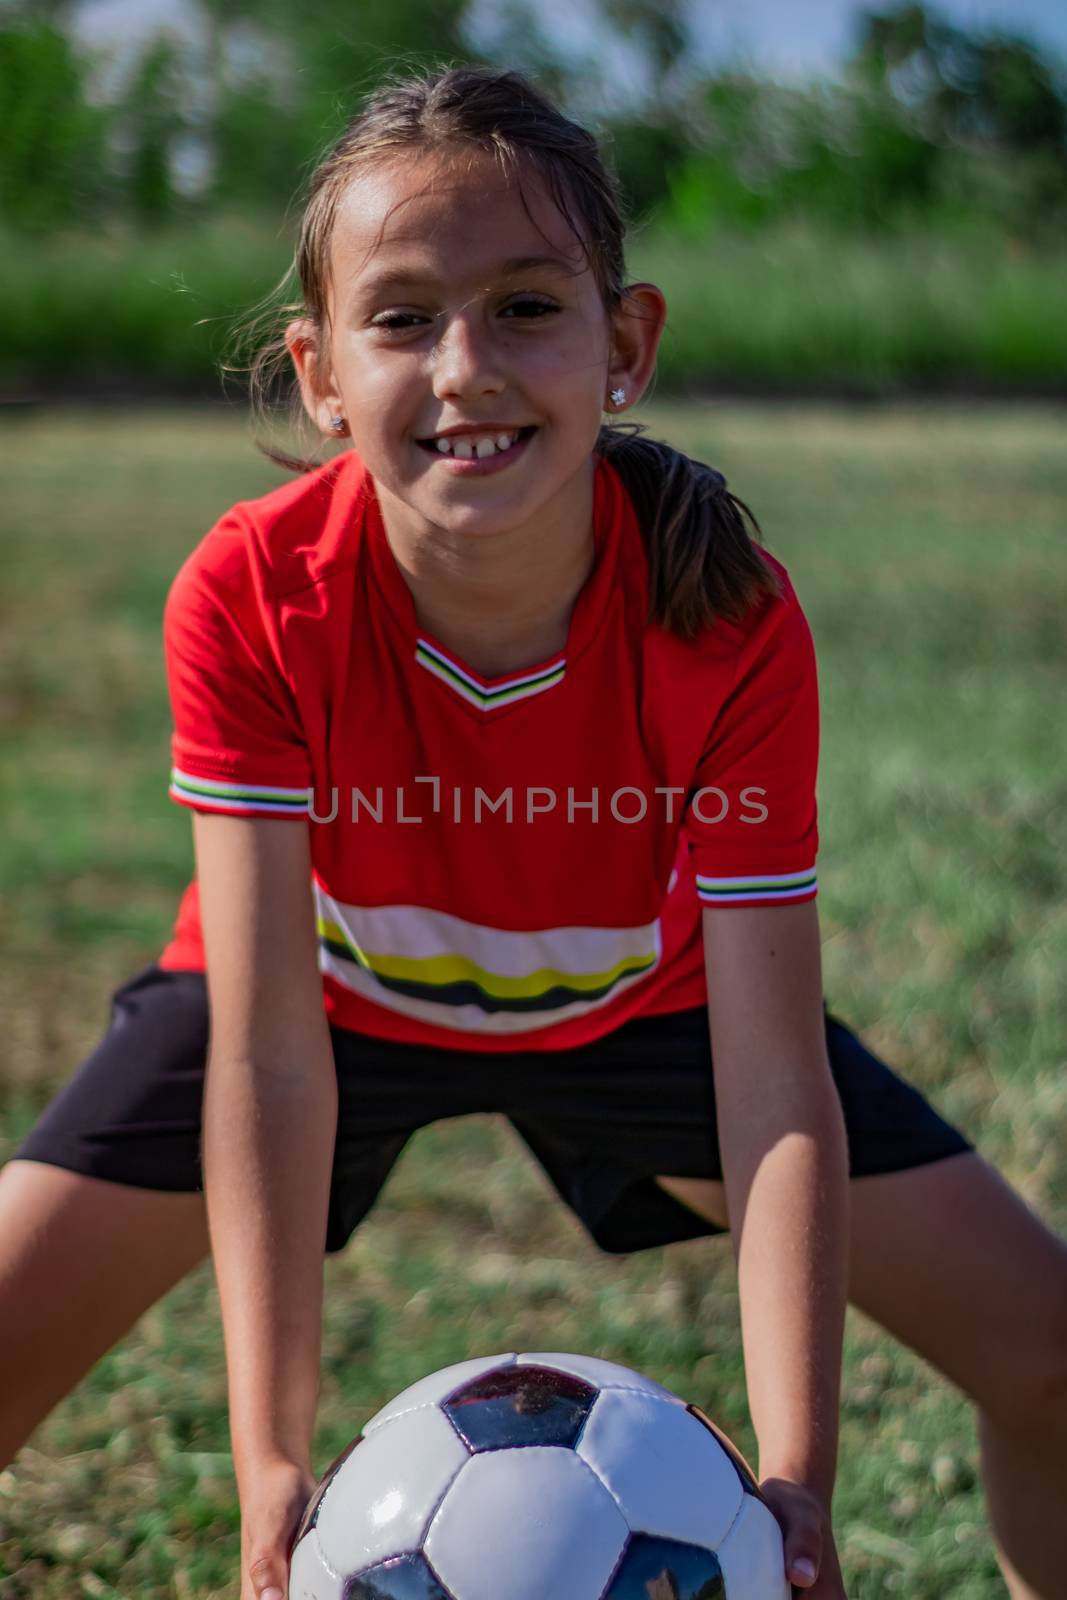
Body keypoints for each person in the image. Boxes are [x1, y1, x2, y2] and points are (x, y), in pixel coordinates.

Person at [1, 62, 1064, 1600]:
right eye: (401, 317)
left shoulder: (727, 620)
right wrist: (271, 1464)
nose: (464, 368)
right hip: (325, 1003)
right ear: (318, 373)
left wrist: (797, 1478)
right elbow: (266, 1052)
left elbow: (773, 1076)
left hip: (649, 1014)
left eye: (524, 307)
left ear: (624, 344)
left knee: (1050, 1355)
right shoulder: (253, 594)